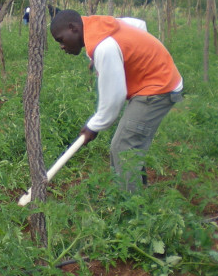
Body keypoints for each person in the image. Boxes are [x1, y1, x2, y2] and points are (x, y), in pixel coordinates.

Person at [50, 10, 183, 192]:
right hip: (158, 80)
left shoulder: (104, 47)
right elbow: (139, 24)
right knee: (130, 145)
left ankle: (132, 207)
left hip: (158, 88)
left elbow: (114, 98)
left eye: (61, 40)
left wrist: (94, 126)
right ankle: (138, 194)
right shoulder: (101, 25)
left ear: (73, 28)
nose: (62, 46)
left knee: (123, 146)